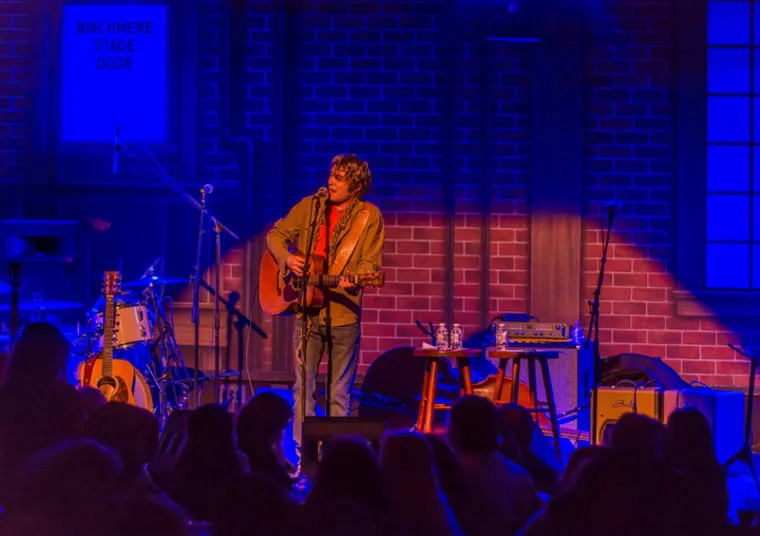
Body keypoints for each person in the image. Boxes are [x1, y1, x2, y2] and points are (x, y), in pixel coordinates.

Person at [266, 154, 384, 474]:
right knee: (302, 387)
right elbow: (275, 234)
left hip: (344, 315)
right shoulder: (311, 206)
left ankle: (337, 463)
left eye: (341, 177)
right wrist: (287, 259)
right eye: (332, 174)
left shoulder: (369, 216)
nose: (331, 181)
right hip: (306, 311)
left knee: (338, 393)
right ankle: (305, 459)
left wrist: (356, 276)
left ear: (356, 186)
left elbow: (371, 265)